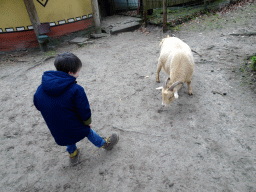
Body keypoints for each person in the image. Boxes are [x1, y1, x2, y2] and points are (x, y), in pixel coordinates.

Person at [33, 52, 119, 166]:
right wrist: (87, 122)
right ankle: (104, 144)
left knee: (69, 136)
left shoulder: (42, 87)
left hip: (55, 124)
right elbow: (84, 110)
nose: (78, 74)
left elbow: (37, 103)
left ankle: (72, 154)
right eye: (78, 71)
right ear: (70, 73)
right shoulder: (76, 89)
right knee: (86, 131)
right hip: (72, 122)